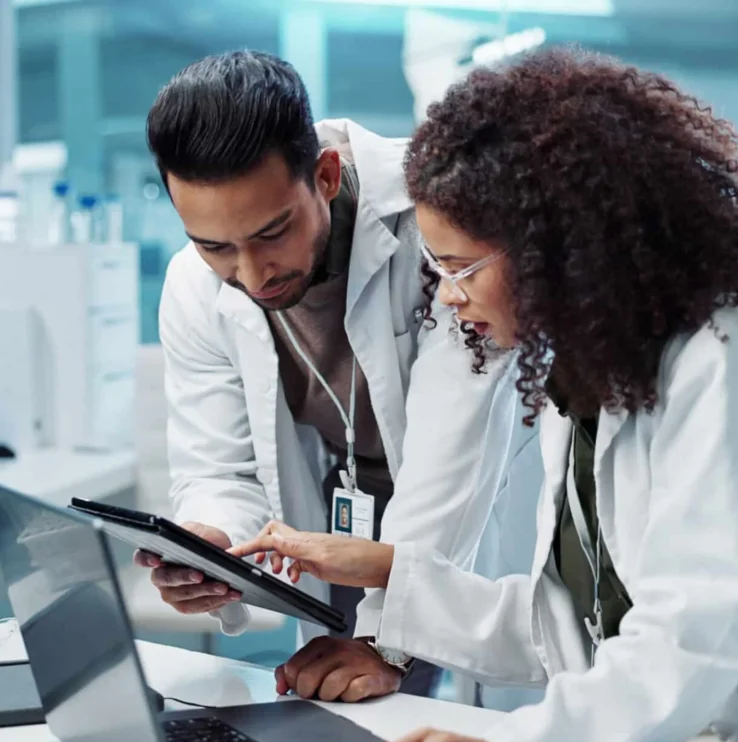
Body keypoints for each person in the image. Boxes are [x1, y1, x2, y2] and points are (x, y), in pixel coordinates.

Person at [231, 49, 738, 742]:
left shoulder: (727, 350)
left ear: (558, 251)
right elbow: (565, 628)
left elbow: (688, 641)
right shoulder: (583, 370)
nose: (445, 298)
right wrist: (386, 570)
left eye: (459, 266)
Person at [136, 50, 542, 701]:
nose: (250, 274)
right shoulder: (193, 284)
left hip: (477, 503)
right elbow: (219, 469)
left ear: (325, 175)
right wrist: (211, 545)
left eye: (272, 232)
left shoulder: (437, 215)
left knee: (487, 709)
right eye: (214, 245)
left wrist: (386, 640)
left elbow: (455, 452)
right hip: (347, 511)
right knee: (349, 713)